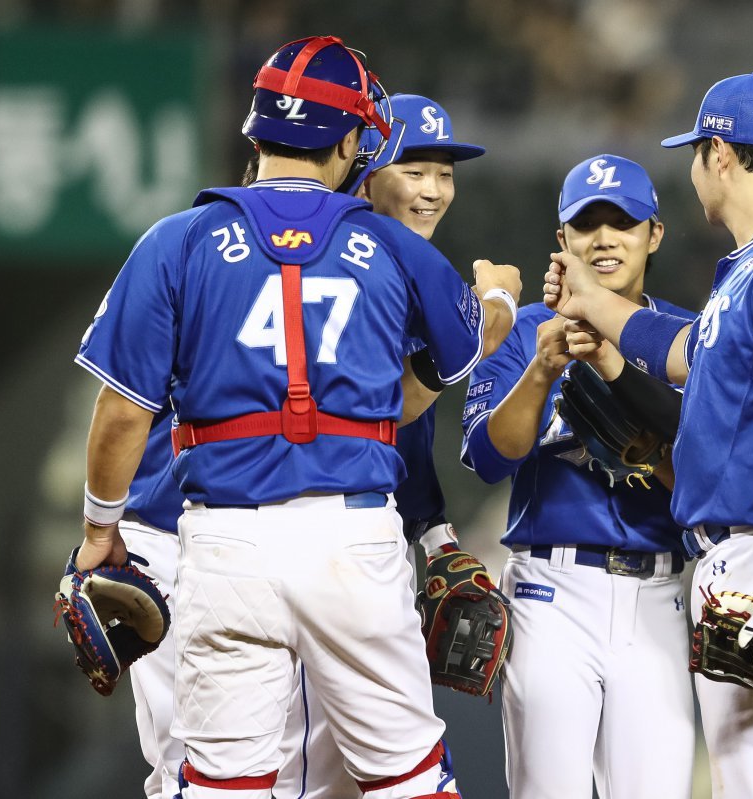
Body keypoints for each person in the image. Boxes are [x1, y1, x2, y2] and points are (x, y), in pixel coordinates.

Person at [73, 35, 520, 799]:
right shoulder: (390, 243)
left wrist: (97, 533)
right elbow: (443, 366)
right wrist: (502, 303)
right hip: (352, 538)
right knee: (410, 778)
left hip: (224, 540)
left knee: (223, 783)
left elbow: (119, 415)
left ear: (256, 132)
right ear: (350, 141)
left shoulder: (177, 241)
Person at [542, 73, 753, 798]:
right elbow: (691, 352)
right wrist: (592, 301)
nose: (694, 167)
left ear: (719, 154)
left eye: (696, 152)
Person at [460, 154, 697, 798]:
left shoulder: (684, 338)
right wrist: (541, 370)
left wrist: (627, 380)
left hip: (659, 593)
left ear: (654, 234)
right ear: (562, 240)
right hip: (551, 592)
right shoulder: (527, 330)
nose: (603, 239)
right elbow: (487, 459)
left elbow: (708, 478)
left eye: (621, 223)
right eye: (586, 225)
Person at [276, 92, 491, 799]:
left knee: (350, 774)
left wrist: (433, 532)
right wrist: (495, 314)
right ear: (365, 170)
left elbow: (409, 435)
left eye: (445, 173)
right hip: (308, 533)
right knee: (312, 772)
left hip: (355, 540)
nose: (432, 189)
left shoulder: (401, 268)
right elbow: (386, 410)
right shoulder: (341, 263)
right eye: (413, 168)